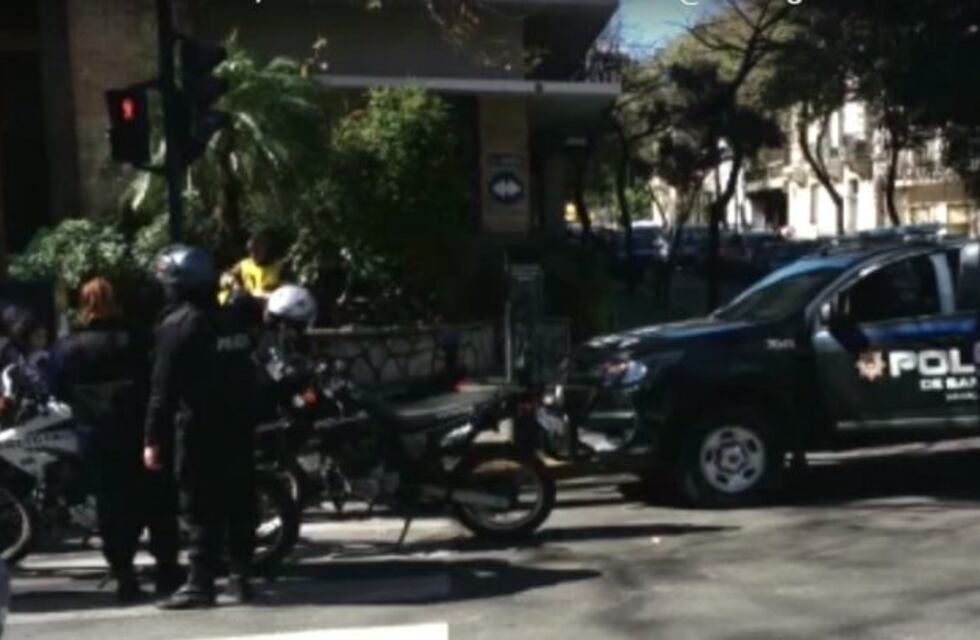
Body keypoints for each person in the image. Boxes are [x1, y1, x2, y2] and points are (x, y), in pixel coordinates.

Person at [143, 245, 260, 610]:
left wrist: (152, 439)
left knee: (199, 506)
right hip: (239, 425)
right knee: (239, 502)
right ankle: (241, 578)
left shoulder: (178, 326)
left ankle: (200, 583)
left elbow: (162, 392)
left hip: (199, 429)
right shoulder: (231, 320)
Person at [53, 278, 182, 602]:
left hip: (97, 437)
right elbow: (160, 380)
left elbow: (57, 387)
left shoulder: (69, 348)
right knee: (158, 503)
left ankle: (125, 574)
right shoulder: (139, 339)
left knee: (112, 508)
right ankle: (167, 569)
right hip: (140, 432)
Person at [221, 230, 286, 303]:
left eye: (258, 250)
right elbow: (225, 276)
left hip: (270, 303)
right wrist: (234, 283)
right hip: (248, 302)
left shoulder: (278, 266)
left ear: (266, 250)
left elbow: (288, 287)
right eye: (251, 250)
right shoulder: (244, 264)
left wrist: (276, 288)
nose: (254, 254)